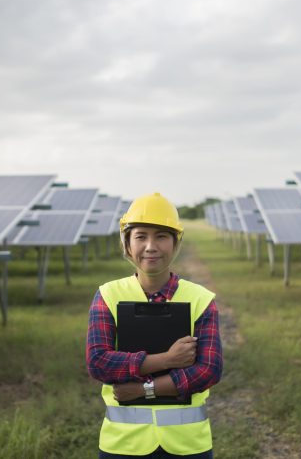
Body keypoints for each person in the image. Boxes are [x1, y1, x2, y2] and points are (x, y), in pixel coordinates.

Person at [86, 192, 223, 458]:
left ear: (175, 243)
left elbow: (208, 371)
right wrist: (167, 359)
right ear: (127, 244)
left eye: (161, 236)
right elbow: (99, 362)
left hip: (187, 445)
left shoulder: (201, 299)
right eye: (141, 236)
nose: (151, 246)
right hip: (123, 445)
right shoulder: (107, 295)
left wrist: (142, 389)